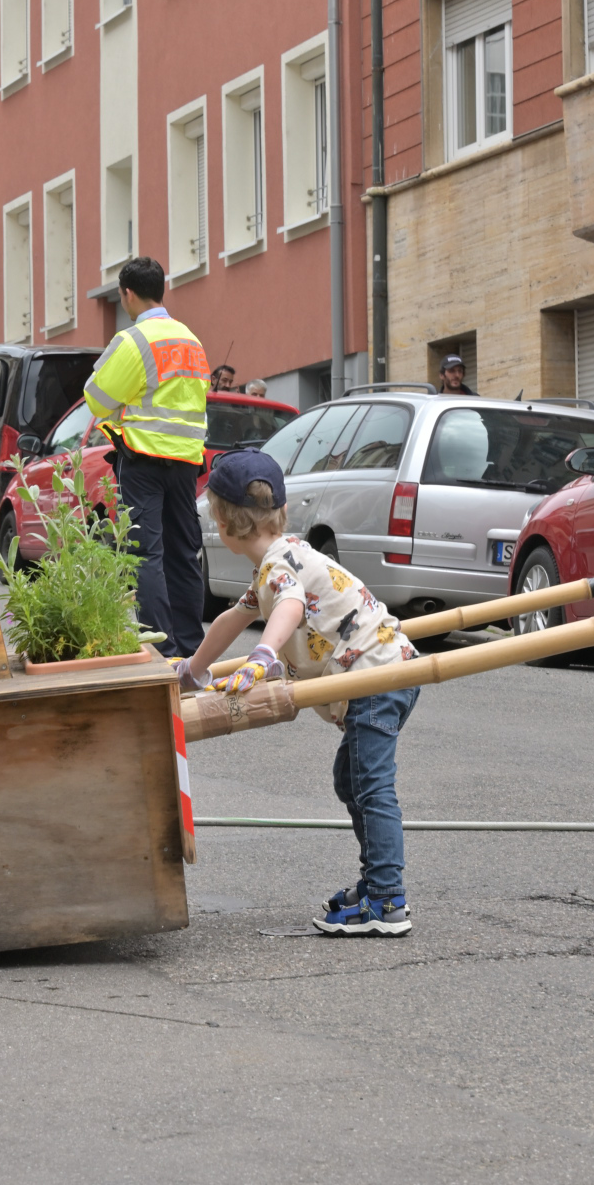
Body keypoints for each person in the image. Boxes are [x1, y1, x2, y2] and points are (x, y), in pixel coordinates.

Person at [176, 451, 421, 936]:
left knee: (369, 785)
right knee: (350, 780)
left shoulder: (277, 571)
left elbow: (287, 605)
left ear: (223, 524)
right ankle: (377, 883)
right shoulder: (282, 557)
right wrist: (191, 670)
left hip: (376, 677)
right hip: (382, 671)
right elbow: (233, 618)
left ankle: (387, 900)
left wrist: (264, 657)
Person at [83, 256, 211, 656]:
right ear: (162, 290)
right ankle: (191, 647)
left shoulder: (133, 341)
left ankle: (163, 650)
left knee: (147, 556)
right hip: (187, 463)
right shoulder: (191, 339)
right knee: (183, 554)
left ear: (127, 294)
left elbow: (97, 398)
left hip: (143, 460)